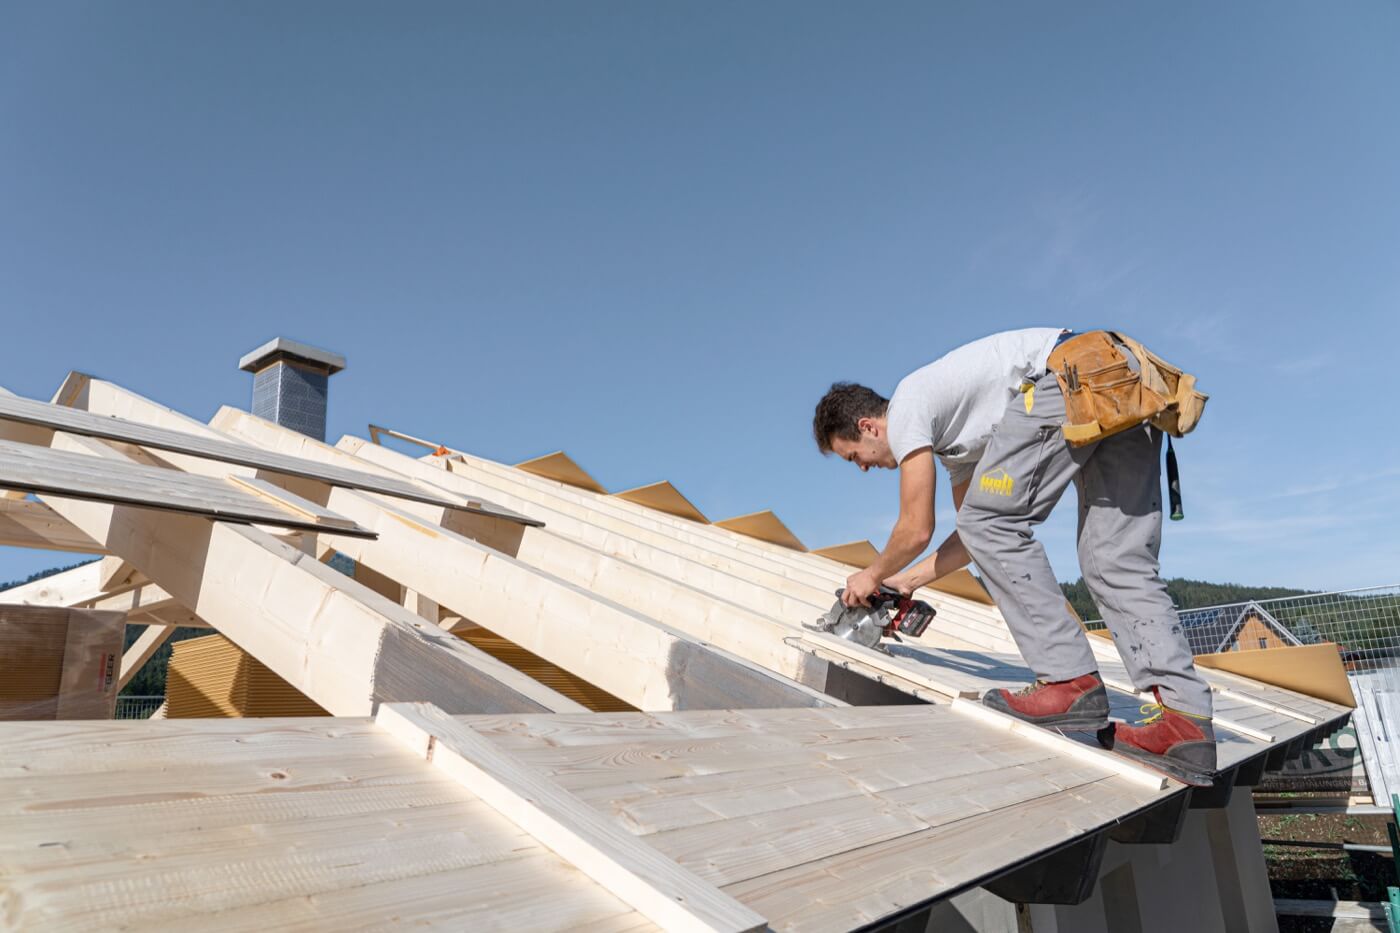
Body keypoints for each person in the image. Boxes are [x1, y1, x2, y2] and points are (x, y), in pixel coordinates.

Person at [812, 327, 1217, 784]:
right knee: (1114, 559)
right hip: (1125, 379)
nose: (864, 468)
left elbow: (916, 528)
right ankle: (1186, 726)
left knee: (997, 522)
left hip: (1075, 373)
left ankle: (1069, 683)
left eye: (854, 457)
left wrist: (870, 574)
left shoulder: (907, 408)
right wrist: (905, 582)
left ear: (868, 427)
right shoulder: (958, 445)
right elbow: (973, 535)